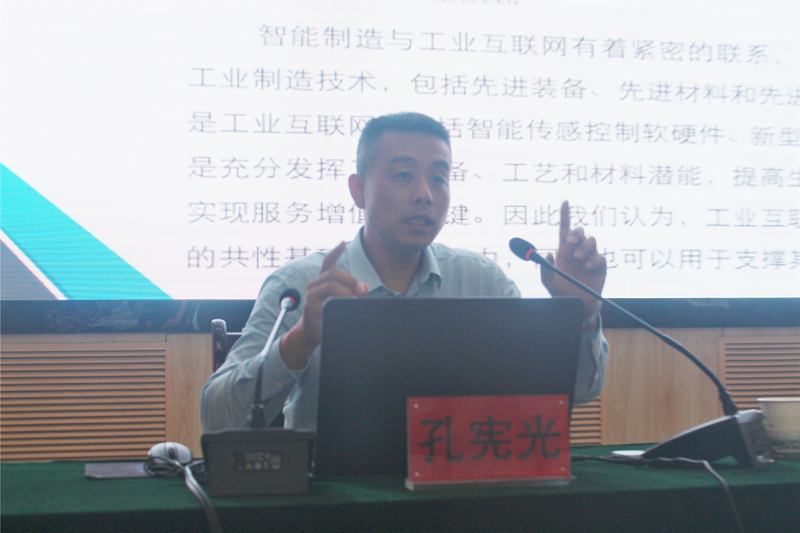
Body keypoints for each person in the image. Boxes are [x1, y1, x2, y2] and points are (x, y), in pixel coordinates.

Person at [201, 112, 608, 433]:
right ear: (358, 190)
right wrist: (301, 339)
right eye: (403, 176)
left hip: (463, 489)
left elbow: (577, 393)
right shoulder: (302, 287)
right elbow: (217, 419)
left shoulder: (482, 282)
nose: (425, 194)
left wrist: (583, 313)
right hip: (334, 496)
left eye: (439, 178)